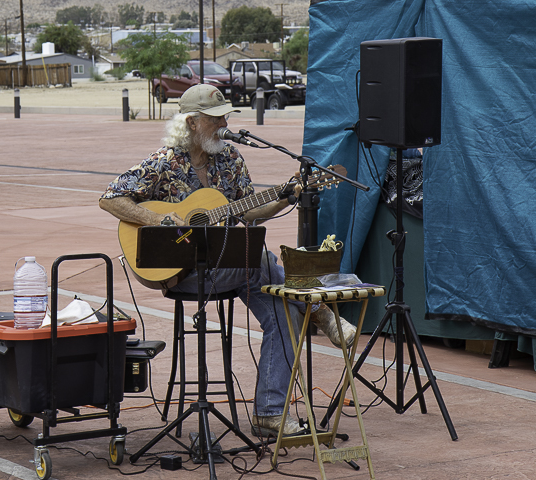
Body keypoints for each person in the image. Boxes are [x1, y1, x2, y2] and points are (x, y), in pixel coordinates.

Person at [99, 84, 356, 437]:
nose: (222, 123)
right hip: (184, 273)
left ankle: (270, 413)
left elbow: (251, 210)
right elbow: (111, 198)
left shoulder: (230, 159)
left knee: (285, 313)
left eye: (225, 117)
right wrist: (159, 220)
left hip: (234, 267)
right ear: (191, 123)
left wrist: (284, 197)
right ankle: (320, 309)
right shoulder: (163, 161)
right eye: (214, 118)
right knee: (262, 258)